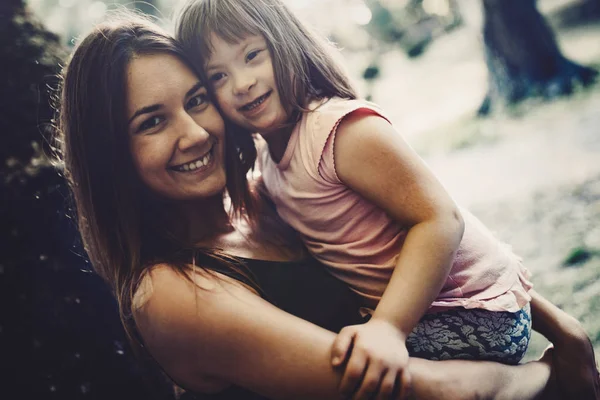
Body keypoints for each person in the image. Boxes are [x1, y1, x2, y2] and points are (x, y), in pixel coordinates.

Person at [55, 11, 598, 400]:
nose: (195, 133)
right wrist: (549, 379)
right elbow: (409, 389)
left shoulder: (263, 201)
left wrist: (550, 317)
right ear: (108, 155)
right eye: (151, 121)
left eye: (197, 100)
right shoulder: (171, 292)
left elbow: (431, 230)